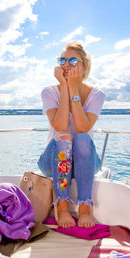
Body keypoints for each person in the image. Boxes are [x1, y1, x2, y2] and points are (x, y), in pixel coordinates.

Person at [37, 41, 105, 229]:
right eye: (63, 60)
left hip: (84, 162)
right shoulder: (49, 92)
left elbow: (83, 128)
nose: (66, 64)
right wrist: (65, 87)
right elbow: (59, 126)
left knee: (82, 138)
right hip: (54, 161)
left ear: (84, 66)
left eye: (73, 60)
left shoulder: (96, 94)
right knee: (64, 136)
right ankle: (62, 204)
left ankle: (84, 207)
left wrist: (74, 88)